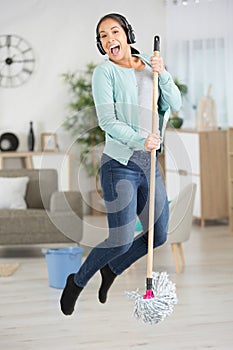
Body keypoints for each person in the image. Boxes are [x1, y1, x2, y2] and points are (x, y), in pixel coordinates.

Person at [60, 13, 181, 316]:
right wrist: (141, 141)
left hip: (149, 163)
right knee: (121, 238)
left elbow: (174, 105)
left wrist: (163, 73)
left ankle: (112, 269)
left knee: (160, 233)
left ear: (127, 34)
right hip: (120, 164)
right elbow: (107, 121)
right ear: (101, 44)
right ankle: (76, 281)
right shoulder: (105, 73)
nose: (110, 38)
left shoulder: (149, 67)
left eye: (115, 31)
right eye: (103, 36)